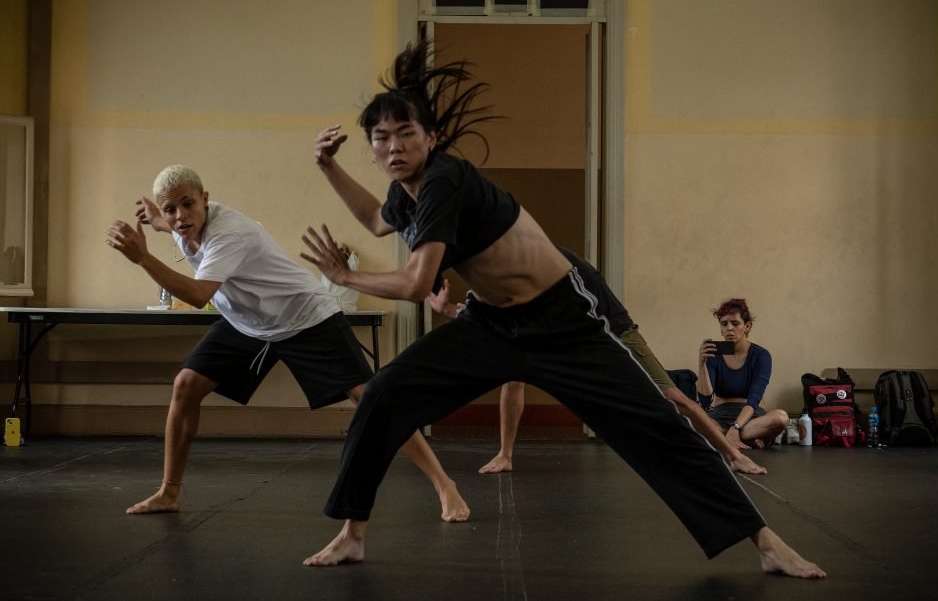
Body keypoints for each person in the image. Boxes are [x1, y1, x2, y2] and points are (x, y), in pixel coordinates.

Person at [298, 40, 825, 578]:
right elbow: (375, 222)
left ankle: (765, 541)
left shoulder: (443, 179)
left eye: (406, 133)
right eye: (381, 138)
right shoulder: (406, 194)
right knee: (383, 393)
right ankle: (351, 534)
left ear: (431, 138)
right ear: (370, 147)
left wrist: (344, 277)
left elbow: (416, 283)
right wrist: (326, 166)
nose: (393, 147)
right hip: (492, 324)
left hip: (564, 322)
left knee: (656, 425)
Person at [104, 165, 469, 522]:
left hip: (306, 317)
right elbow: (175, 224)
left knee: (369, 397)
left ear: (206, 200)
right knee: (186, 384)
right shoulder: (182, 222)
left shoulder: (230, 231)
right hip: (249, 323)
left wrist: (143, 258)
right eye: (171, 209)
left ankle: (444, 484)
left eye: (187, 204)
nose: (180, 216)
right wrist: (157, 220)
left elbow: (200, 294)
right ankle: (169, 491)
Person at [427, 255, 766, 477]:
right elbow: (490, 310)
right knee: (514, 374)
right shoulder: (504, 274)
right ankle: (505, 454)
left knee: (674, 397)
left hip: (614, 331)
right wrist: (448, 310)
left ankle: (732, 455)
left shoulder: (552, 263)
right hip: (567, 336)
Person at [697, 298, 789, 450]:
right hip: (720, 417)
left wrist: (736, 427)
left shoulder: (761, 355)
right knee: (689, 418)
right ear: (720, 328)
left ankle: (723, 438)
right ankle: (746, 439)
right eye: (724, 324)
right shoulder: (713, 354)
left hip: (751, 418)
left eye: (735, 323)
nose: (729, 328)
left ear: (747, 326)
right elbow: (705, 401)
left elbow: (754, 399)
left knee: (781, 418)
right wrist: (702, 364)